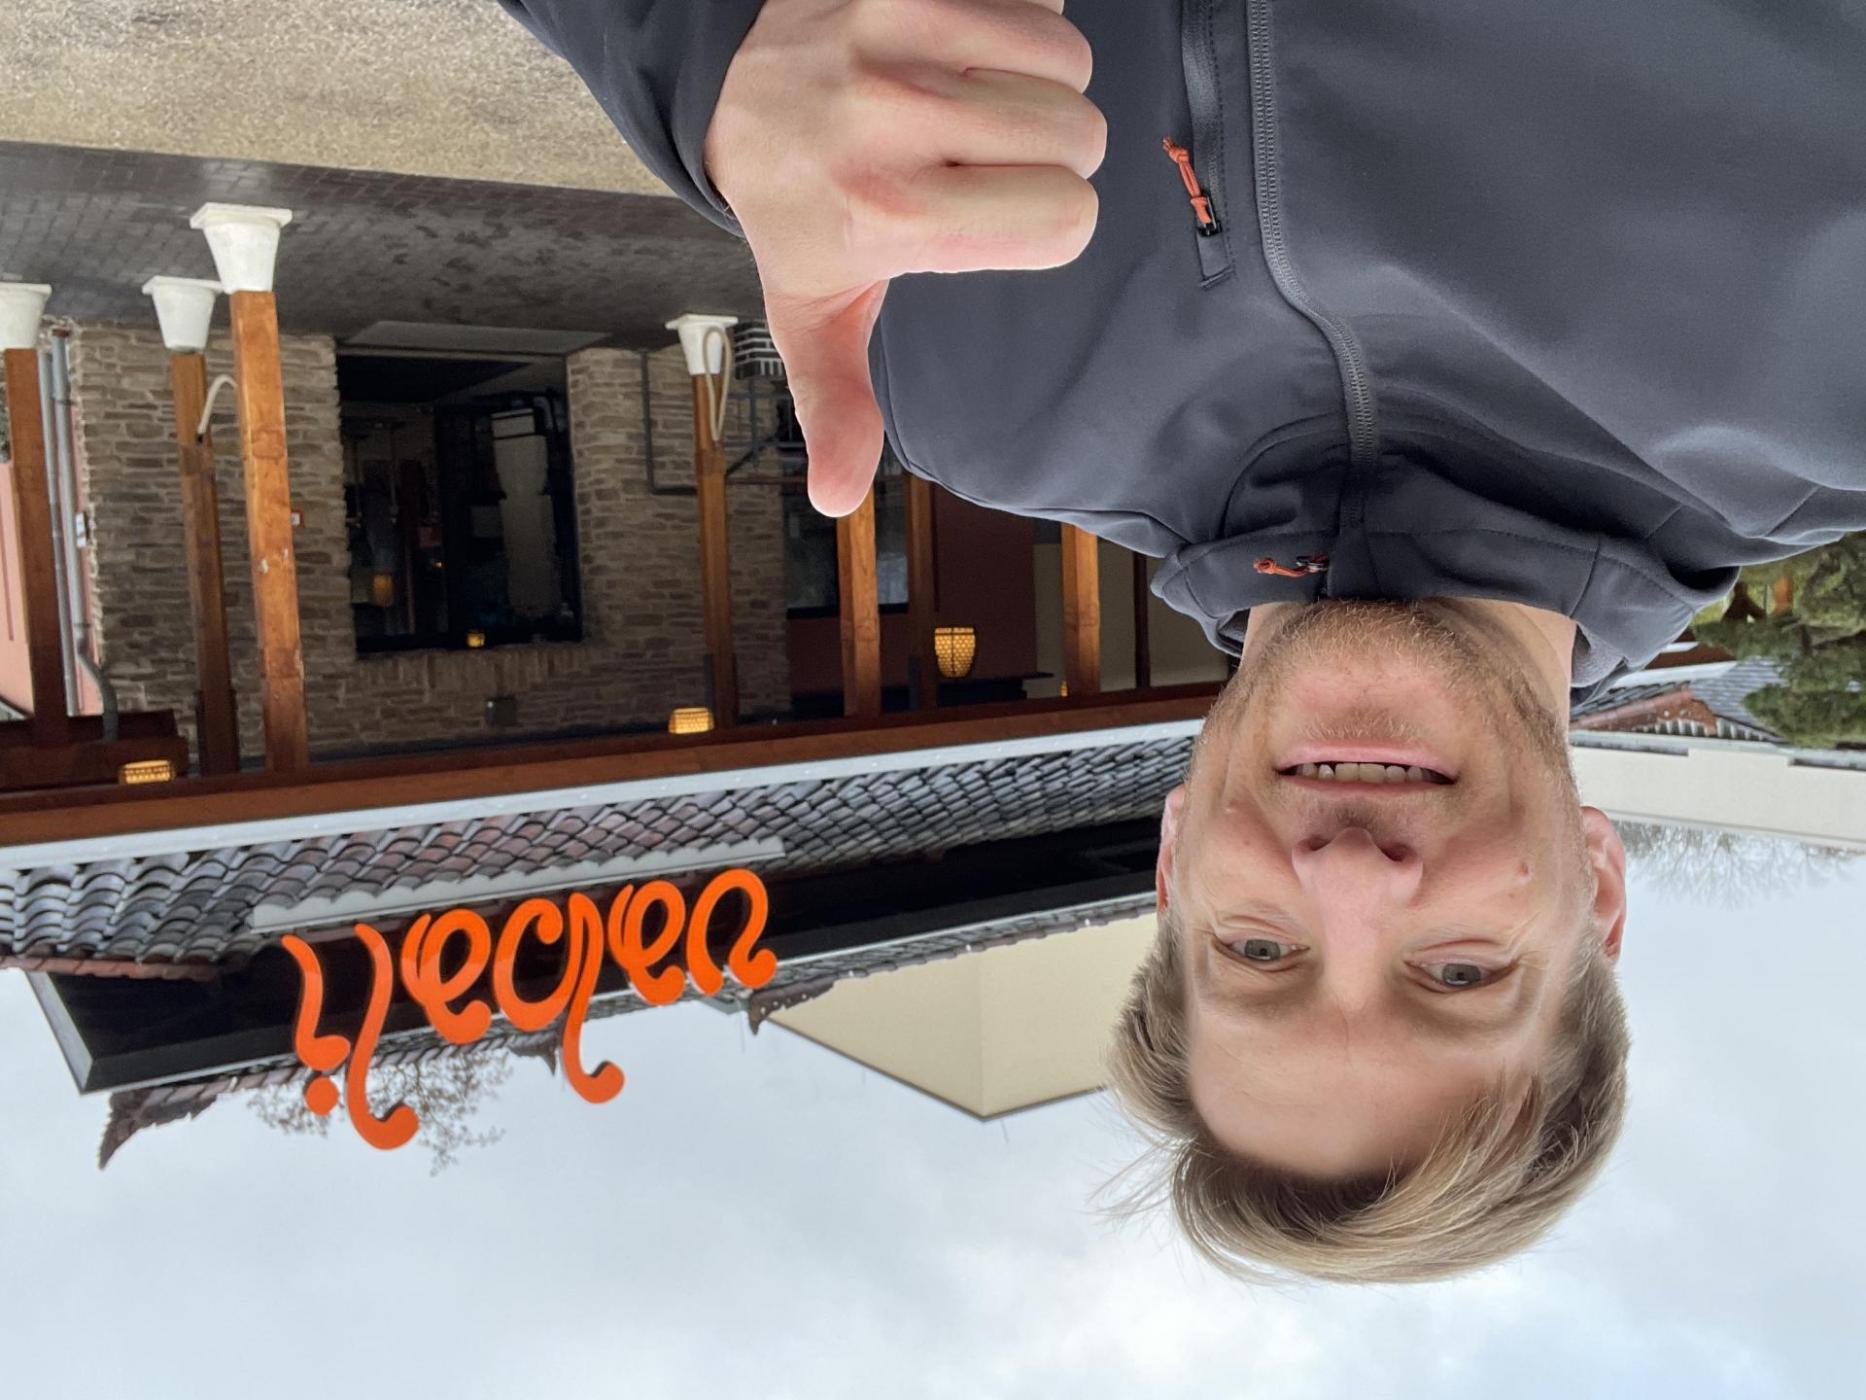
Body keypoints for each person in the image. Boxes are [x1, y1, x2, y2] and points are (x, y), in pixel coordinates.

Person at [496, 0, 1865, 1280]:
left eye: (1258, 953)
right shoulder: (1835, 384)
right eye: (1457, 973)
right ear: (1597, 893)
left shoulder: (974, 396)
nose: (1347, 879)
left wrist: (705, 53)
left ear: (1173, 866)